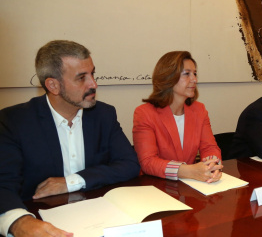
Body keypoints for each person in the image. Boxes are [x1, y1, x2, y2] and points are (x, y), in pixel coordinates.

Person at [0, 40, 140, 237]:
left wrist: (73, 181)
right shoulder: (14, 121)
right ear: (53, 85)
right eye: (82, 78)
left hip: (100, 219)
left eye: (93, 73)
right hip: (44, 224)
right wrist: (19, 222)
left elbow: (129, 163)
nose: (94, 84)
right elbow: (3, 184)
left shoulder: (104, 114)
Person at [132, 51, 222, 183]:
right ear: (168, 77)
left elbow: (209, 147)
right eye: (187, 74)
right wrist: (189, 171)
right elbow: (148, 162)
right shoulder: (145, 113)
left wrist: (211, 166)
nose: (194, 79)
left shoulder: (199, 110)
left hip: (191, 185)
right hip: (156, 186)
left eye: (195, 74)